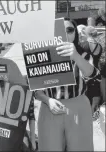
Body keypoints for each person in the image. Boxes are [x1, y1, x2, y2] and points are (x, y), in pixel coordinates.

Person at [35, 18, 99, 151]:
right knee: (49, 147)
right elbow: (36, 90)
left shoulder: (82, 52)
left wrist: (75, 56)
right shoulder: (41, 54)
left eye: (69, 30)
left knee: (81, 148)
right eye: (60, 30)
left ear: (75, 32)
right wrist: (48, 100)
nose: (65, 34)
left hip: (79, 106)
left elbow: (92, 74)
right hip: (50, 107)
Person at [80, 26, 103, 117]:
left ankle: (87, 115)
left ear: (86, 34)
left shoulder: (83, 45)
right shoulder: (99, 46)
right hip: (97, 73)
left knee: (86, 94)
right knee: (96, 92)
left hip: (86, 74)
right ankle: (94, 113)